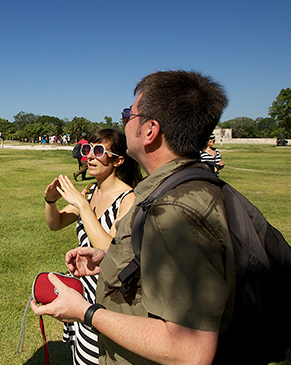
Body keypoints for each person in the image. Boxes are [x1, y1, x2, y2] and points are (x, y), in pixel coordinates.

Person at [32, 70, 233, 365]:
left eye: (129, 114)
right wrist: (108, 257)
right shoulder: (166, 193)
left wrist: (87, 312)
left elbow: (190, 351)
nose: (124, 121)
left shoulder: (176, 211)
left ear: (149, 131)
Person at [44, 129, 141, 365]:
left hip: (107, 295)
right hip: (83, 290)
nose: (89, 157)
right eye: (88, 150)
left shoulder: (128, 198)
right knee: (81, 355)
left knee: (98, 356)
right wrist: (50, 200)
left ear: (118, 160)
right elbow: (55, 224)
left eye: (99, 151)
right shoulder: (89, 192)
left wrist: (82, 205)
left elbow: (113, 251)